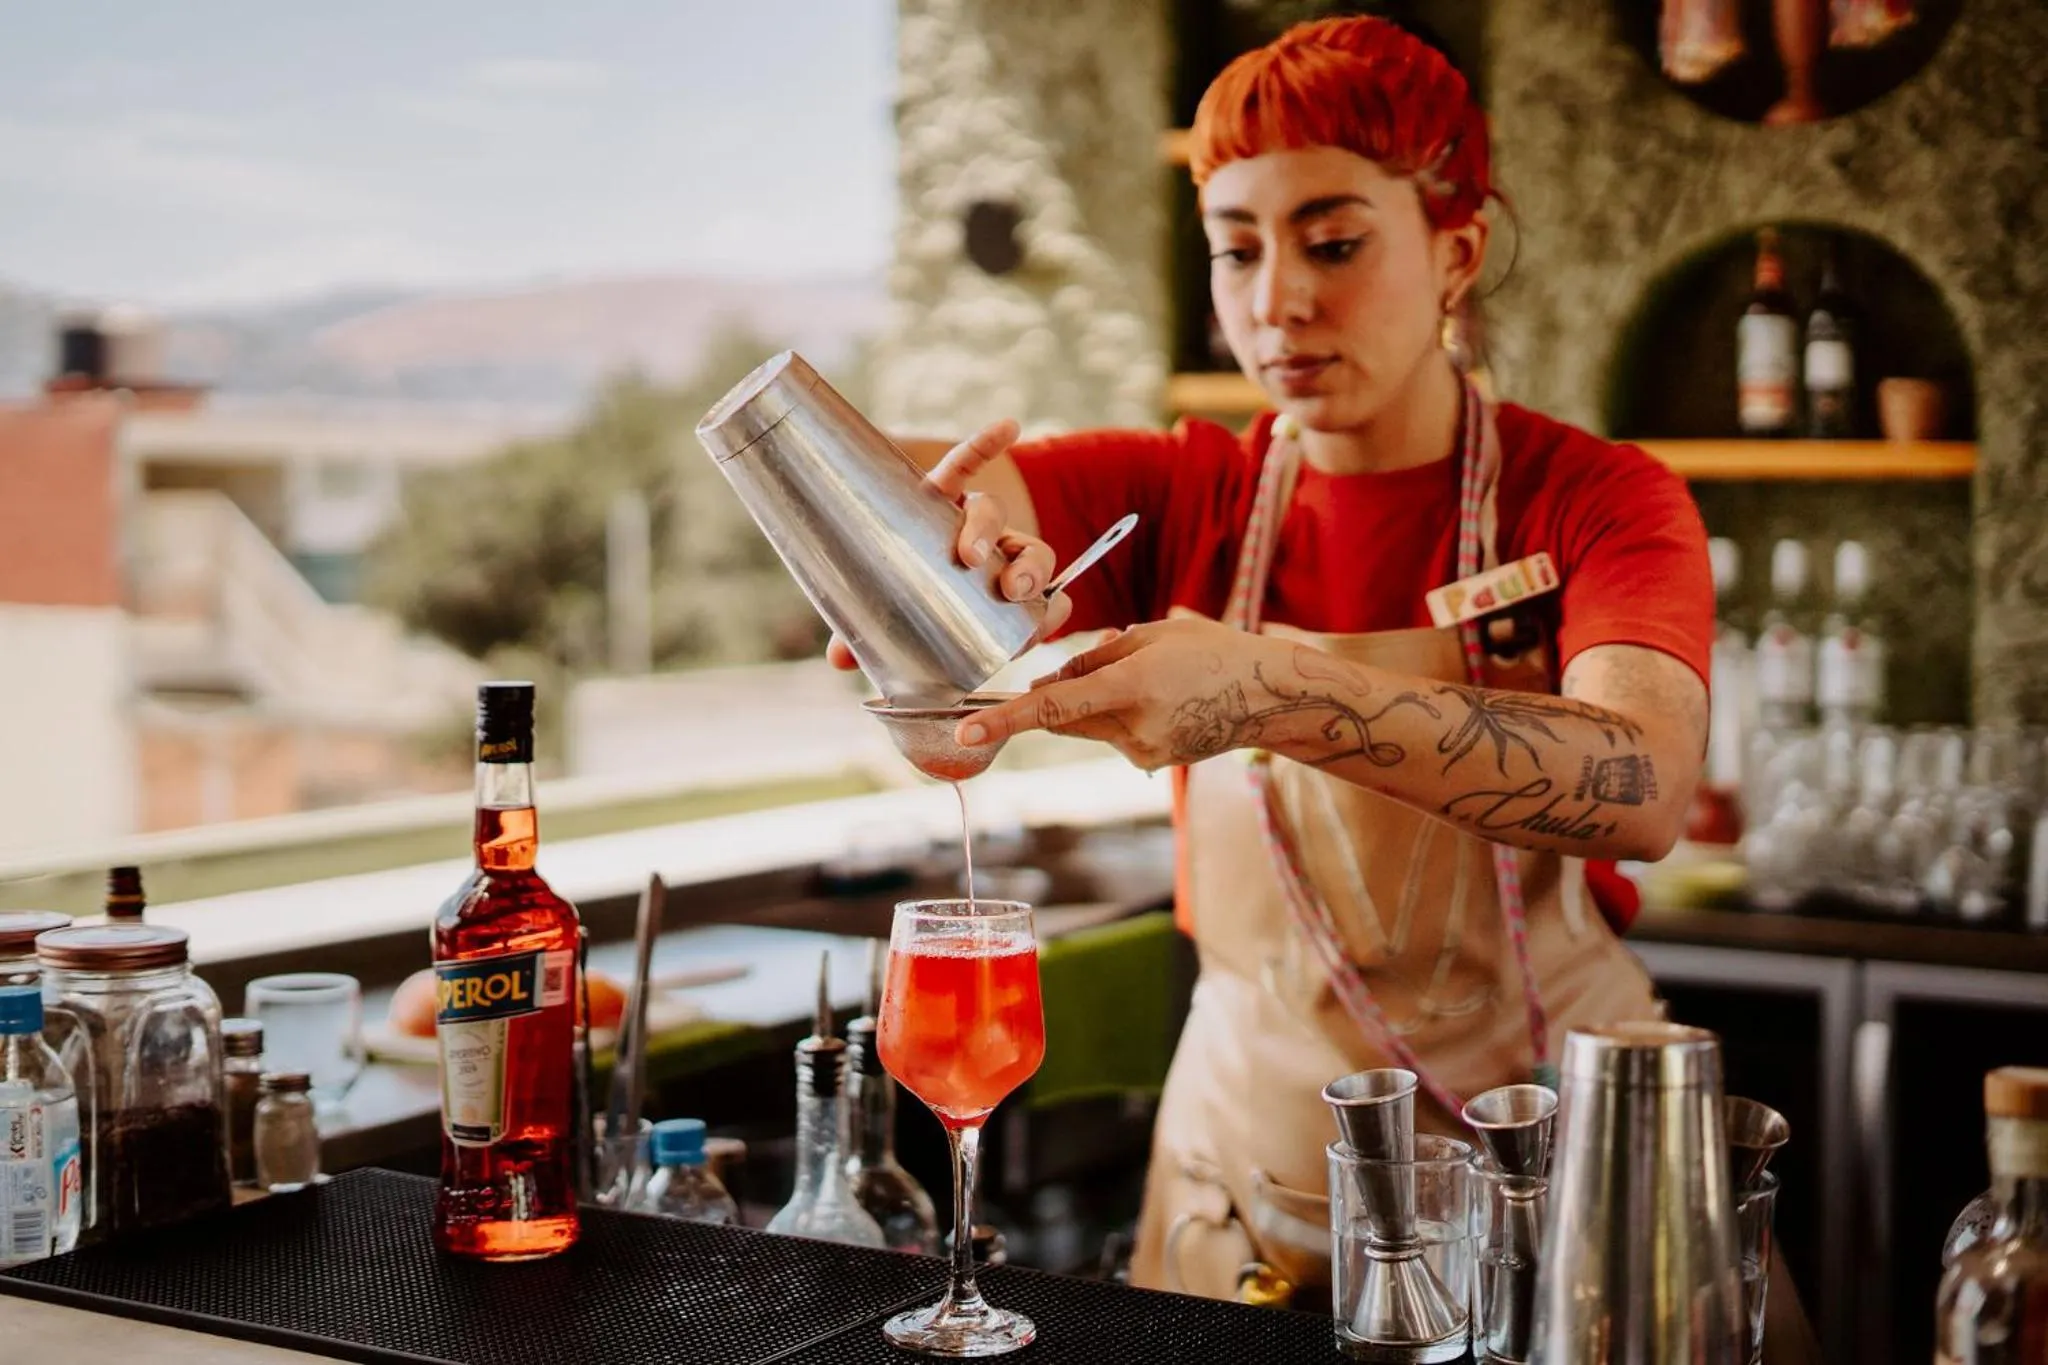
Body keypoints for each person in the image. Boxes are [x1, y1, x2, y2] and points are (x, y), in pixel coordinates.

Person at [836, 17, 1815, 1343]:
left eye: (1334, 242)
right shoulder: (1180, 492)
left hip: (1553, 1183)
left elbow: (1640, 781)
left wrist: (1269, 693)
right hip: (1233, 1186)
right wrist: (915, 577)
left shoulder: (1591, 499)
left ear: (1456, 251)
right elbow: (936, 507)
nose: (1277, 300)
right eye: (1236, 249)